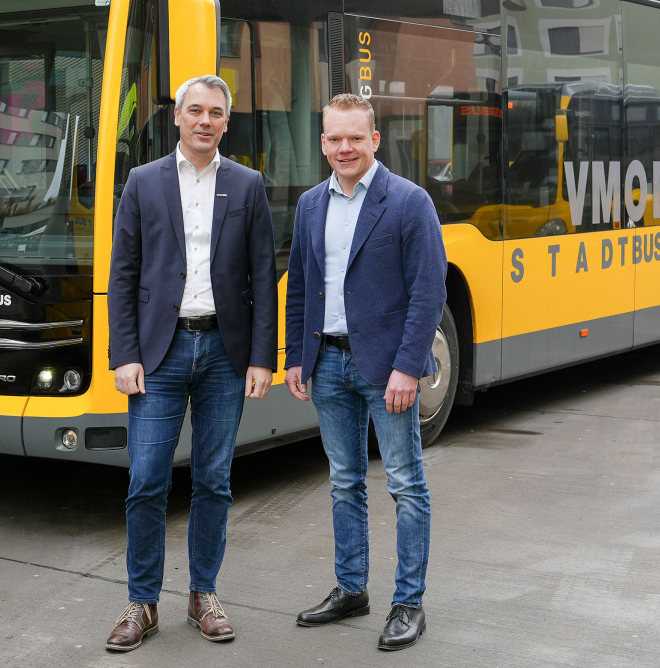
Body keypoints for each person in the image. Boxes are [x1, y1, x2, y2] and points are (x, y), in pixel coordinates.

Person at [105, 75, 278, 652]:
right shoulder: (142, 182)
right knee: (147, 480)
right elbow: (123, 276)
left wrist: (262, 358)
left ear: (228, 122)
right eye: (195, 111)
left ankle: (203, 593)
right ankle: (142, 603)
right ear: (176, 117)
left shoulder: (248, 185)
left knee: (215, 481)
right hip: (159, 353)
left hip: (225, 355)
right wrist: (123, 353)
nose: (205, 121)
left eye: (217, 113)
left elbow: (262, 277)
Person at [283, 93, 446, 651]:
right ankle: (352, 588)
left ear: (374, 140)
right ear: (322, 142)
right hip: (326, 362)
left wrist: (407, 368)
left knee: (406, 484)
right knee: (343, 482)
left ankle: (408, 602)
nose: (343, 147)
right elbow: (300, 286)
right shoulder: (310, 205)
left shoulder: (409, 201)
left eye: (355, 137)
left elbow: (429, 293)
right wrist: (294, 358)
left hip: (386, 370)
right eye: (333, 138)